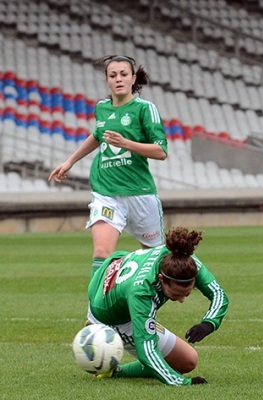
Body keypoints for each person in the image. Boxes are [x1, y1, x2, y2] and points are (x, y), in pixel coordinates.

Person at [48, 55, 168, 277]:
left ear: (133, 78)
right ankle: (96, 311)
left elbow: (161, 151)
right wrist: (70, 161)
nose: (118, 79)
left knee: (157, 259)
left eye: (124, 74)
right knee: (102, 252)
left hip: (139, 193)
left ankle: (145, 307)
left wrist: (126, 144)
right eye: (113, 75)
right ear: (107, 80)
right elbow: (97, 135)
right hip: (106, 192)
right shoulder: (102, 108)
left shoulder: (145, 109)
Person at [88, 226, 229, 386]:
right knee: (182, 363)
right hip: (109, 312)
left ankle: (117, 369)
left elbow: (218, 294)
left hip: (113, 268)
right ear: (161, 279)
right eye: (176, 294)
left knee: (189, 359)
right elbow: (146, 350)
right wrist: (183, 383)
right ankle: (100, 333)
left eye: (187, 293)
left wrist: (208, 323)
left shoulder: (183, 259)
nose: (182, 300)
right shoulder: (142, 293)